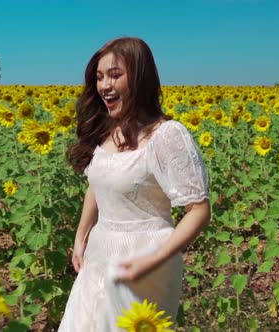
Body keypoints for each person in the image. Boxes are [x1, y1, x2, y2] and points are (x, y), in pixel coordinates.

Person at [59, 37, 211, 331]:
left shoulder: (166, 136)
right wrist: (81, 234)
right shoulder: (109, 131)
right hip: (100, 254)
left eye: (115, 75)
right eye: (100, 77)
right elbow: (99, 182)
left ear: (140, 78)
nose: (104, 86)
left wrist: (153, 261)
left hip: (144, 260)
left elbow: (199, 211)